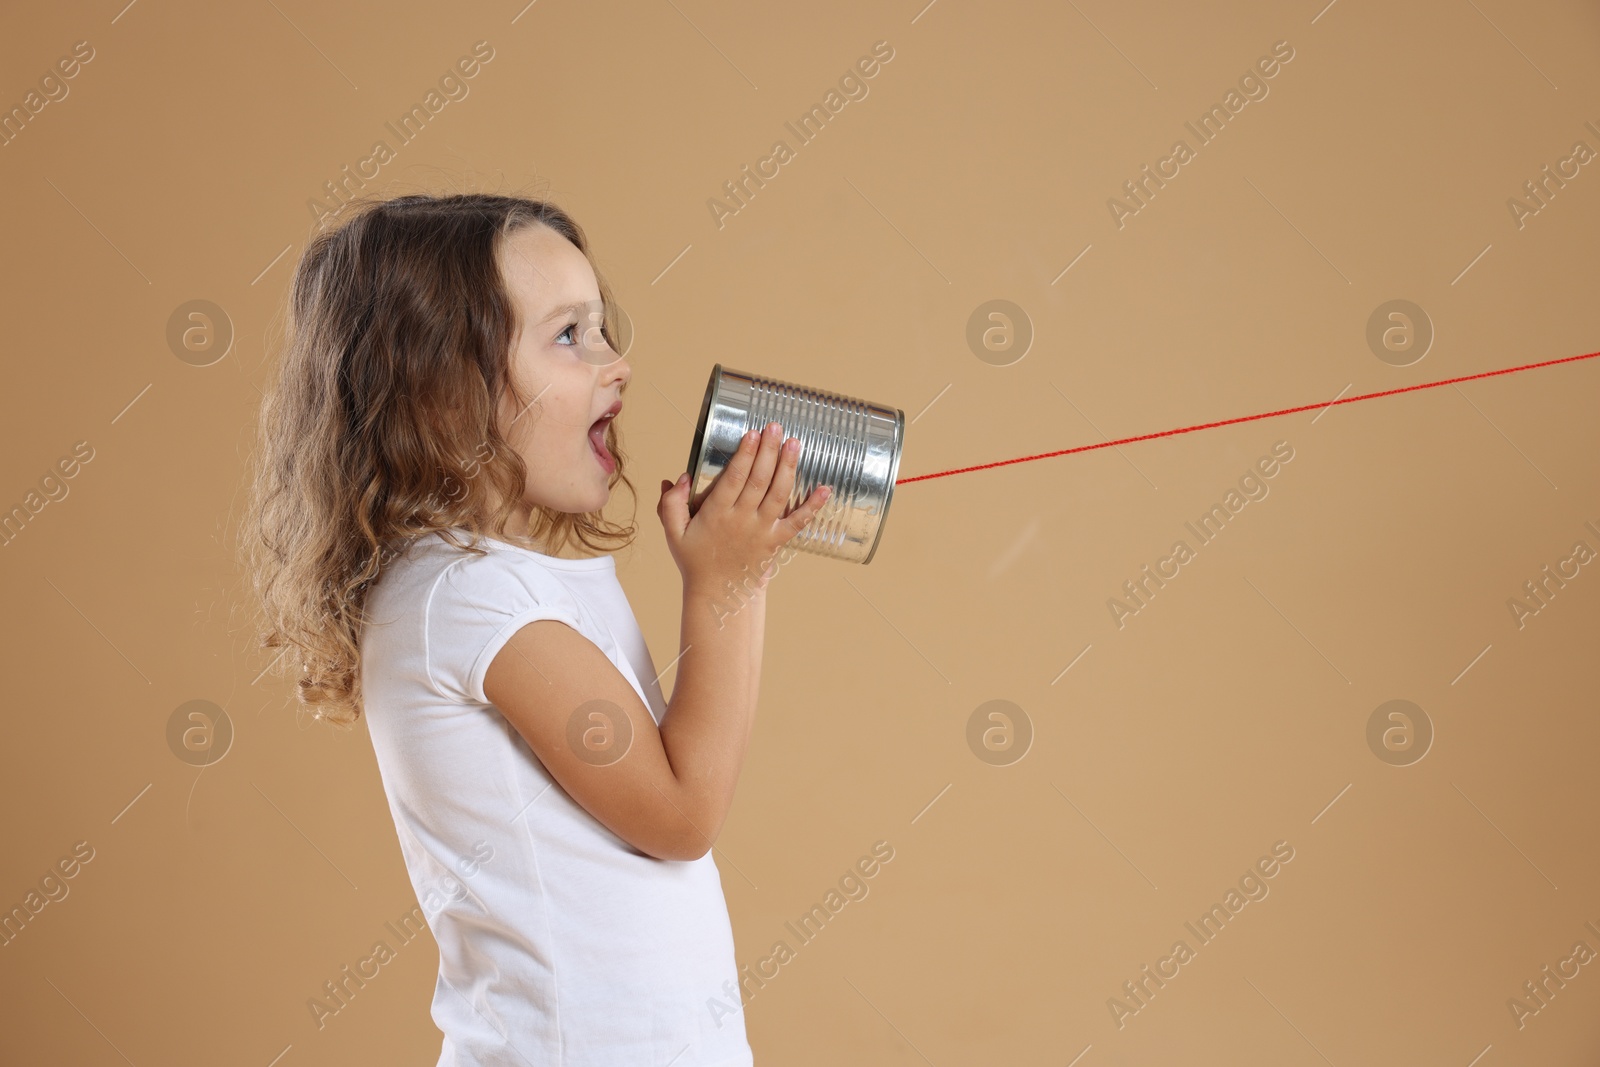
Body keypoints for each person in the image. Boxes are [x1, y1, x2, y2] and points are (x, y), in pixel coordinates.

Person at [241, 191, 831, 1066]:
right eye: (569, 336)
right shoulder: (466, 599)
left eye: (603, 329)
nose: (616, 362)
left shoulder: (503, 588)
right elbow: (679, 812)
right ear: (442, 393)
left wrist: (737, 576)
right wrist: (728, 588)